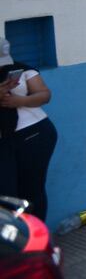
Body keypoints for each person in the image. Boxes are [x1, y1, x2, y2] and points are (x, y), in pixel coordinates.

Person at [0, 39, 57, 220]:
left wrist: (19, 101)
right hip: (4, 140)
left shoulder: (22, 70)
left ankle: (36, 240)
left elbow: (44, 94)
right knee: (7, 194)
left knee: (32, 191)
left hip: (34, 133)